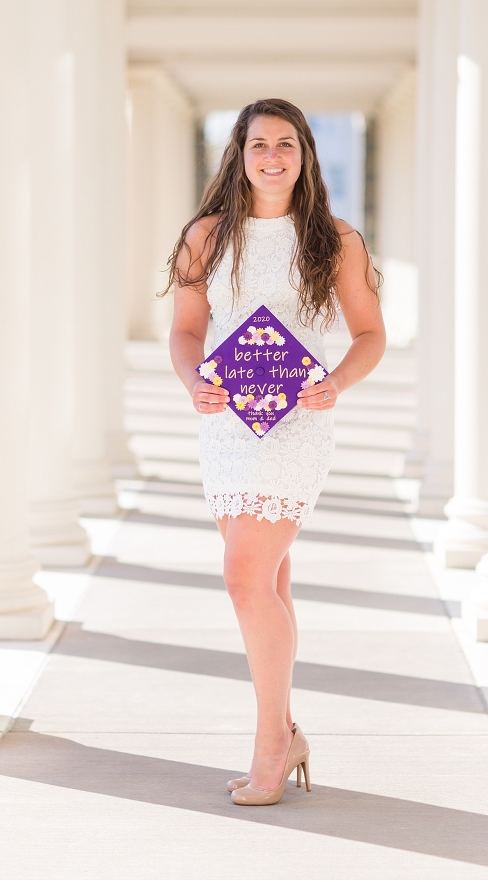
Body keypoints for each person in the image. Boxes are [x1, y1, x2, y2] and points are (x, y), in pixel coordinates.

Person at [164, 98, 385, 806]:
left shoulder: (336, 240)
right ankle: (284, 732)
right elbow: (186, 332)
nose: (271, 157)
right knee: (270, 583)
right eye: (258, 143)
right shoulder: (205, 237)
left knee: (242, 578)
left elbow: (369, 335)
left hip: (298, 424)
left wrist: (335, 383)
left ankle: (270, 747)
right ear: (240, 153)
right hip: (228, 428)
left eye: (285, 144)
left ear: (305, 156)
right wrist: (194, 381)